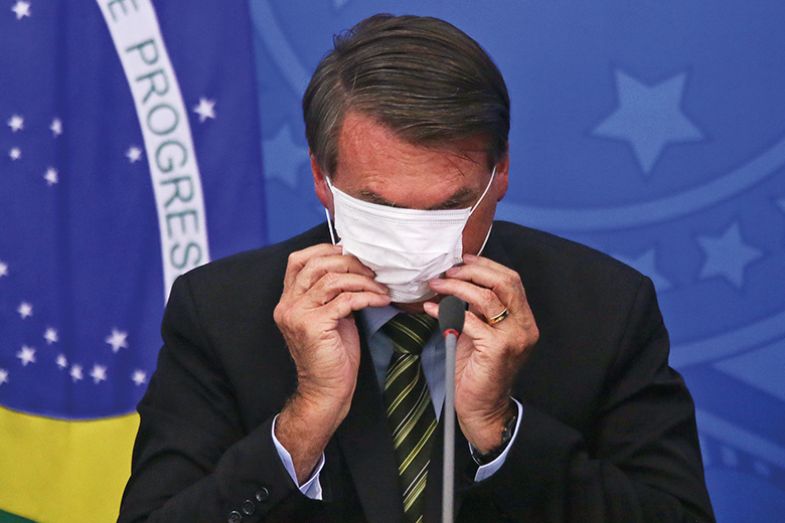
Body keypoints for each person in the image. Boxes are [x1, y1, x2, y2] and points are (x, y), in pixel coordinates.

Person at [118, 14, 715, 523]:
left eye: (452, 204)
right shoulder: (220, 310)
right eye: (378, 205)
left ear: (500, 173)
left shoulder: (604, 306)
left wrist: (500, 429)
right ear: (322, 179)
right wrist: (305, 421)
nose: (412, 235)